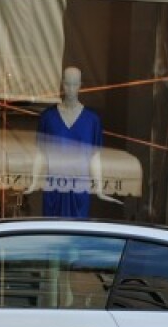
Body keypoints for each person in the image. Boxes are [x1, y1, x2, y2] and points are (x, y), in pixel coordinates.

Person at [26, 66, 121, 218]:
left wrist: (99, 189)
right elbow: (41, 154)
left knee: (75, 234)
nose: (70, 89)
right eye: (67, 84)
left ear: (80, 85)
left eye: (74, 84)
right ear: (62, 84)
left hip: (79, 189)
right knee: (51, 232)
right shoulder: (48, 117)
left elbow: (94, 157)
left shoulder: (92, 120)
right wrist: (33, 182)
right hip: (54, 188)